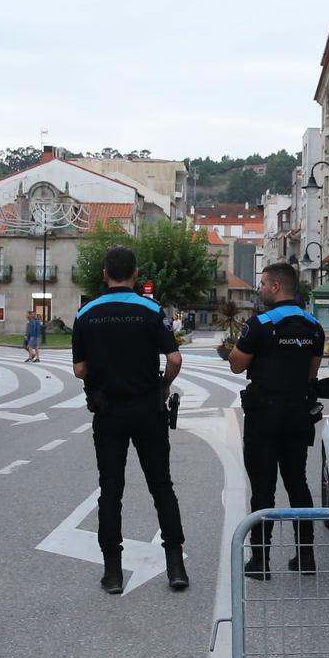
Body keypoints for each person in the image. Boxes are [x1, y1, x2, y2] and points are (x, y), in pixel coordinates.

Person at [72, 247, 187, 594]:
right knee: (161, 486)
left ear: (105, 274)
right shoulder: (151, 310)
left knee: (111, 490)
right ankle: (176, 566)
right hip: (148, 410)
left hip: (108, 412)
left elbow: (79, 369)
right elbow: (175, 358)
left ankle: (112, 573)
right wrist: (163, 385)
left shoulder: (86, 313)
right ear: (135, 274)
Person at [229, 262, 326, 578]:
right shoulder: (313, 326)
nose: (259, 289)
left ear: (274, 287)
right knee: (298, 484)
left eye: (262, 284)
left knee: (262, 488)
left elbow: (236, 365)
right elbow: (312, 373)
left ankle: (259, 561)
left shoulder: (260, 324)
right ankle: (306, 557)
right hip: (298, 415)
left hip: (264, 417)